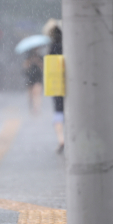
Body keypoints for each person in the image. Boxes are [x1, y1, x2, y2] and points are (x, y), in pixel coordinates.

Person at [48, 24, 65, 154]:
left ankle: (61, 138)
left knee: (58, 112)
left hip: (57, 83)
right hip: (71, 83)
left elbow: (50, 66)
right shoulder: (69, 46)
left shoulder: (52, 47)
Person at [23, 49, 43, 115]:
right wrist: (30, 61)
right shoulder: (28, 57)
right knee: (30, 95)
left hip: (38, 78)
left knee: (37, 94)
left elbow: (43, 67)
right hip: (30, 78)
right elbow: (25, 67)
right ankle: (31, 107)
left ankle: (36, 108)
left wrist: (37, 61)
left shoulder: (39, 57)